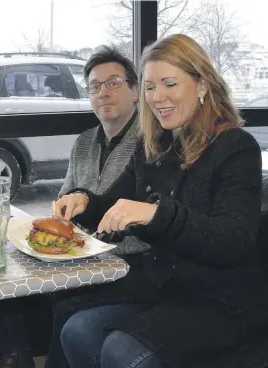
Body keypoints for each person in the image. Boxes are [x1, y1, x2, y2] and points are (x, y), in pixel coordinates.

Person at [52, 33, 268, 368]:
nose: (157, 97)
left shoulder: (236, 147)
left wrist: (155, 214)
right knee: (77, 331)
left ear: (202, 86)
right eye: (151, 87)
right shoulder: (154, 146)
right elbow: (111, 206)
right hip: (168, 289)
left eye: (169, 84)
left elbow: (232, 241)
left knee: (120, 350)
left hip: (223, 302)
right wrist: (84, 200)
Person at [45, 45, 150, 368]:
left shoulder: (151, 142)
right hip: (85, 258)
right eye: (94, 86)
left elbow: (147, 220)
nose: (104, 92)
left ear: (135, 90)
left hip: (134, 262)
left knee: (67, 307)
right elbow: (64, 202)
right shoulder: (84, 143)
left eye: (114, 82)